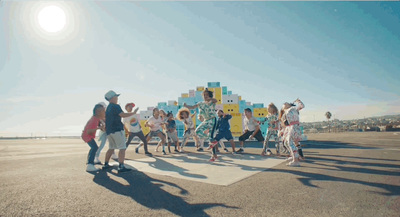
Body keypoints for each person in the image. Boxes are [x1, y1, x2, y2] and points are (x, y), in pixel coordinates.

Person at [102, 90, 137, 173]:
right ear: (112, 98)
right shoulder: (115, 106)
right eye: (116, 96)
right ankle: (121, 166)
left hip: (109, 131)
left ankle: (106, 164)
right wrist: (133, 113)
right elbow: (122, 114)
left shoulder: (108, 108)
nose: (117, 98)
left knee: (111, 147)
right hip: (117, 130)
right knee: (122, 148)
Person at [184, 88, 218, 162]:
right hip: (206, 121)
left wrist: (210, 99)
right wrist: (186, 106)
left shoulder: (212, 102)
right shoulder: (200, 103)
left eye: (207, 95)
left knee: (211, 138)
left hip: (213, 120)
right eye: (204, 95)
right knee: (198, 131)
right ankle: (212, 141)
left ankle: (213, 155)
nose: (205, 96)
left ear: (210, 96)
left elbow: (215, 100)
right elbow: (193, 107)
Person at [81, 103, 105, 172]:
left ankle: (89, 162)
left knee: (93, 148)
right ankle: (90, 164)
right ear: (98, 112)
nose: (104, 112)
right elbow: (89, 131)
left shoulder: (96, 119)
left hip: (86, 135)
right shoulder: (94, 120)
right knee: (94, 148)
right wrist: (99, 128)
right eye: (103, 111)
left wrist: (101, 127)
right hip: (87, 136)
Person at [281, 98, 305, 167]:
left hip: (293, 127)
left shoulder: (293, 109)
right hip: (292, 127)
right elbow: (284, 124)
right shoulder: (286, 112)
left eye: (286, 103)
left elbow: (302, 106)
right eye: (284, 104)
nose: (285, 103)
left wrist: (299, 101)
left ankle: (296, 160)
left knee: (289, 142)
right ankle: (294, 155)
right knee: (287, 142)